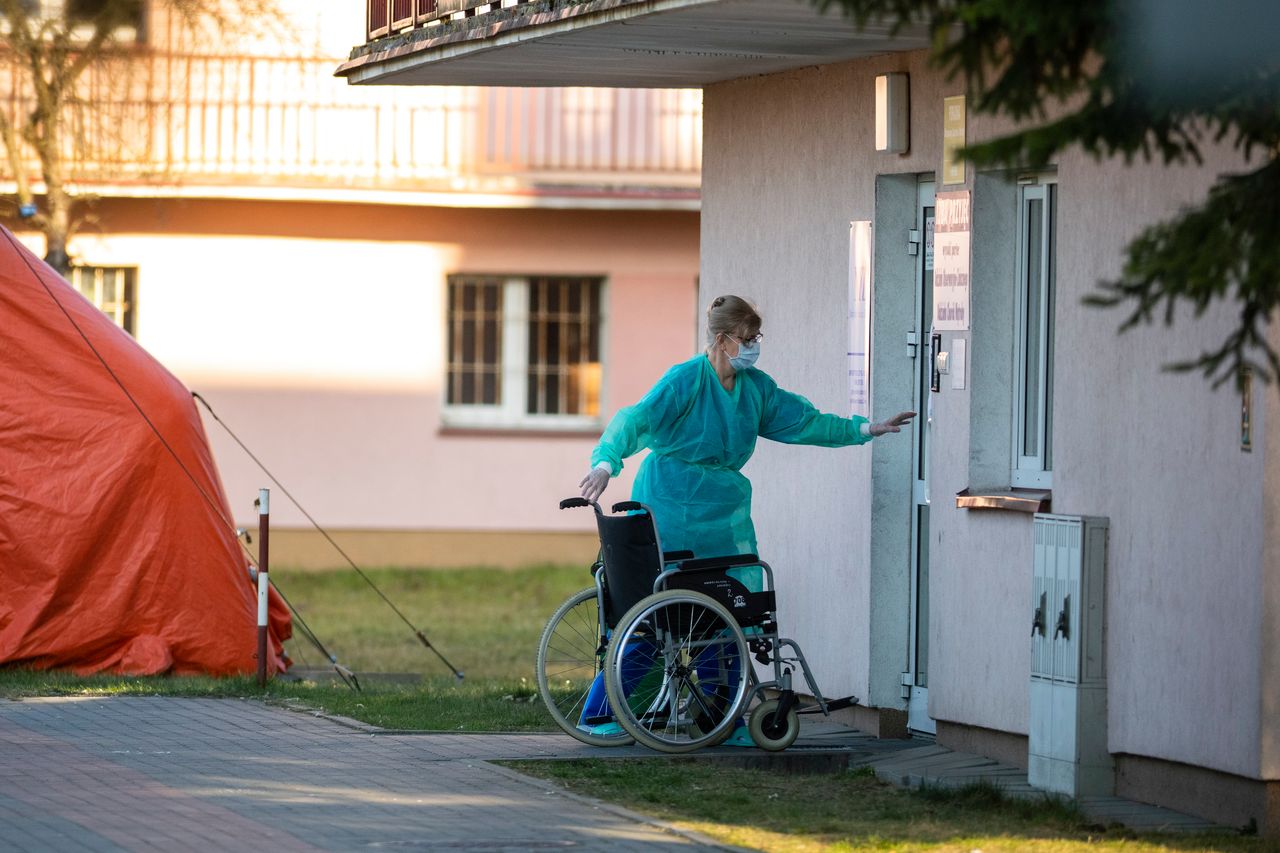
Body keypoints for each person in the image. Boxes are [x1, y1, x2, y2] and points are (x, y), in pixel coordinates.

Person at [576, 295, 914, 745]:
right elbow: (634, 420)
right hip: (670, 503)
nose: (754, 346)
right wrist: (605, 462)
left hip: (724, 511)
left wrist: (864, 429)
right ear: (722, 339)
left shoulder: (756, 388)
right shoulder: (685, 381)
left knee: (730, 610)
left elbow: (805, 422)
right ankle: (599, 712)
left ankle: (724, 718)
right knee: (661, 615)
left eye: (757, 338)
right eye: (748, 338)